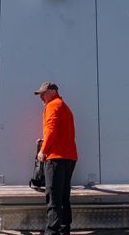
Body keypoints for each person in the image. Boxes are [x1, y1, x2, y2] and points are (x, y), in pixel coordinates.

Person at [34, 81, 77, 235]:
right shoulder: (65, 107)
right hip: (69, 157)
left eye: (43, 93)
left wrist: (43, 150)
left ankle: (52, 231)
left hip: (56, 158)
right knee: (64, 196)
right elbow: (61, 133)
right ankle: (65, 229)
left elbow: (51, 129)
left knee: (53, 196)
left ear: (52, 91)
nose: (41, 97)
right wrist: (46, 142)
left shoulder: (52, 105)